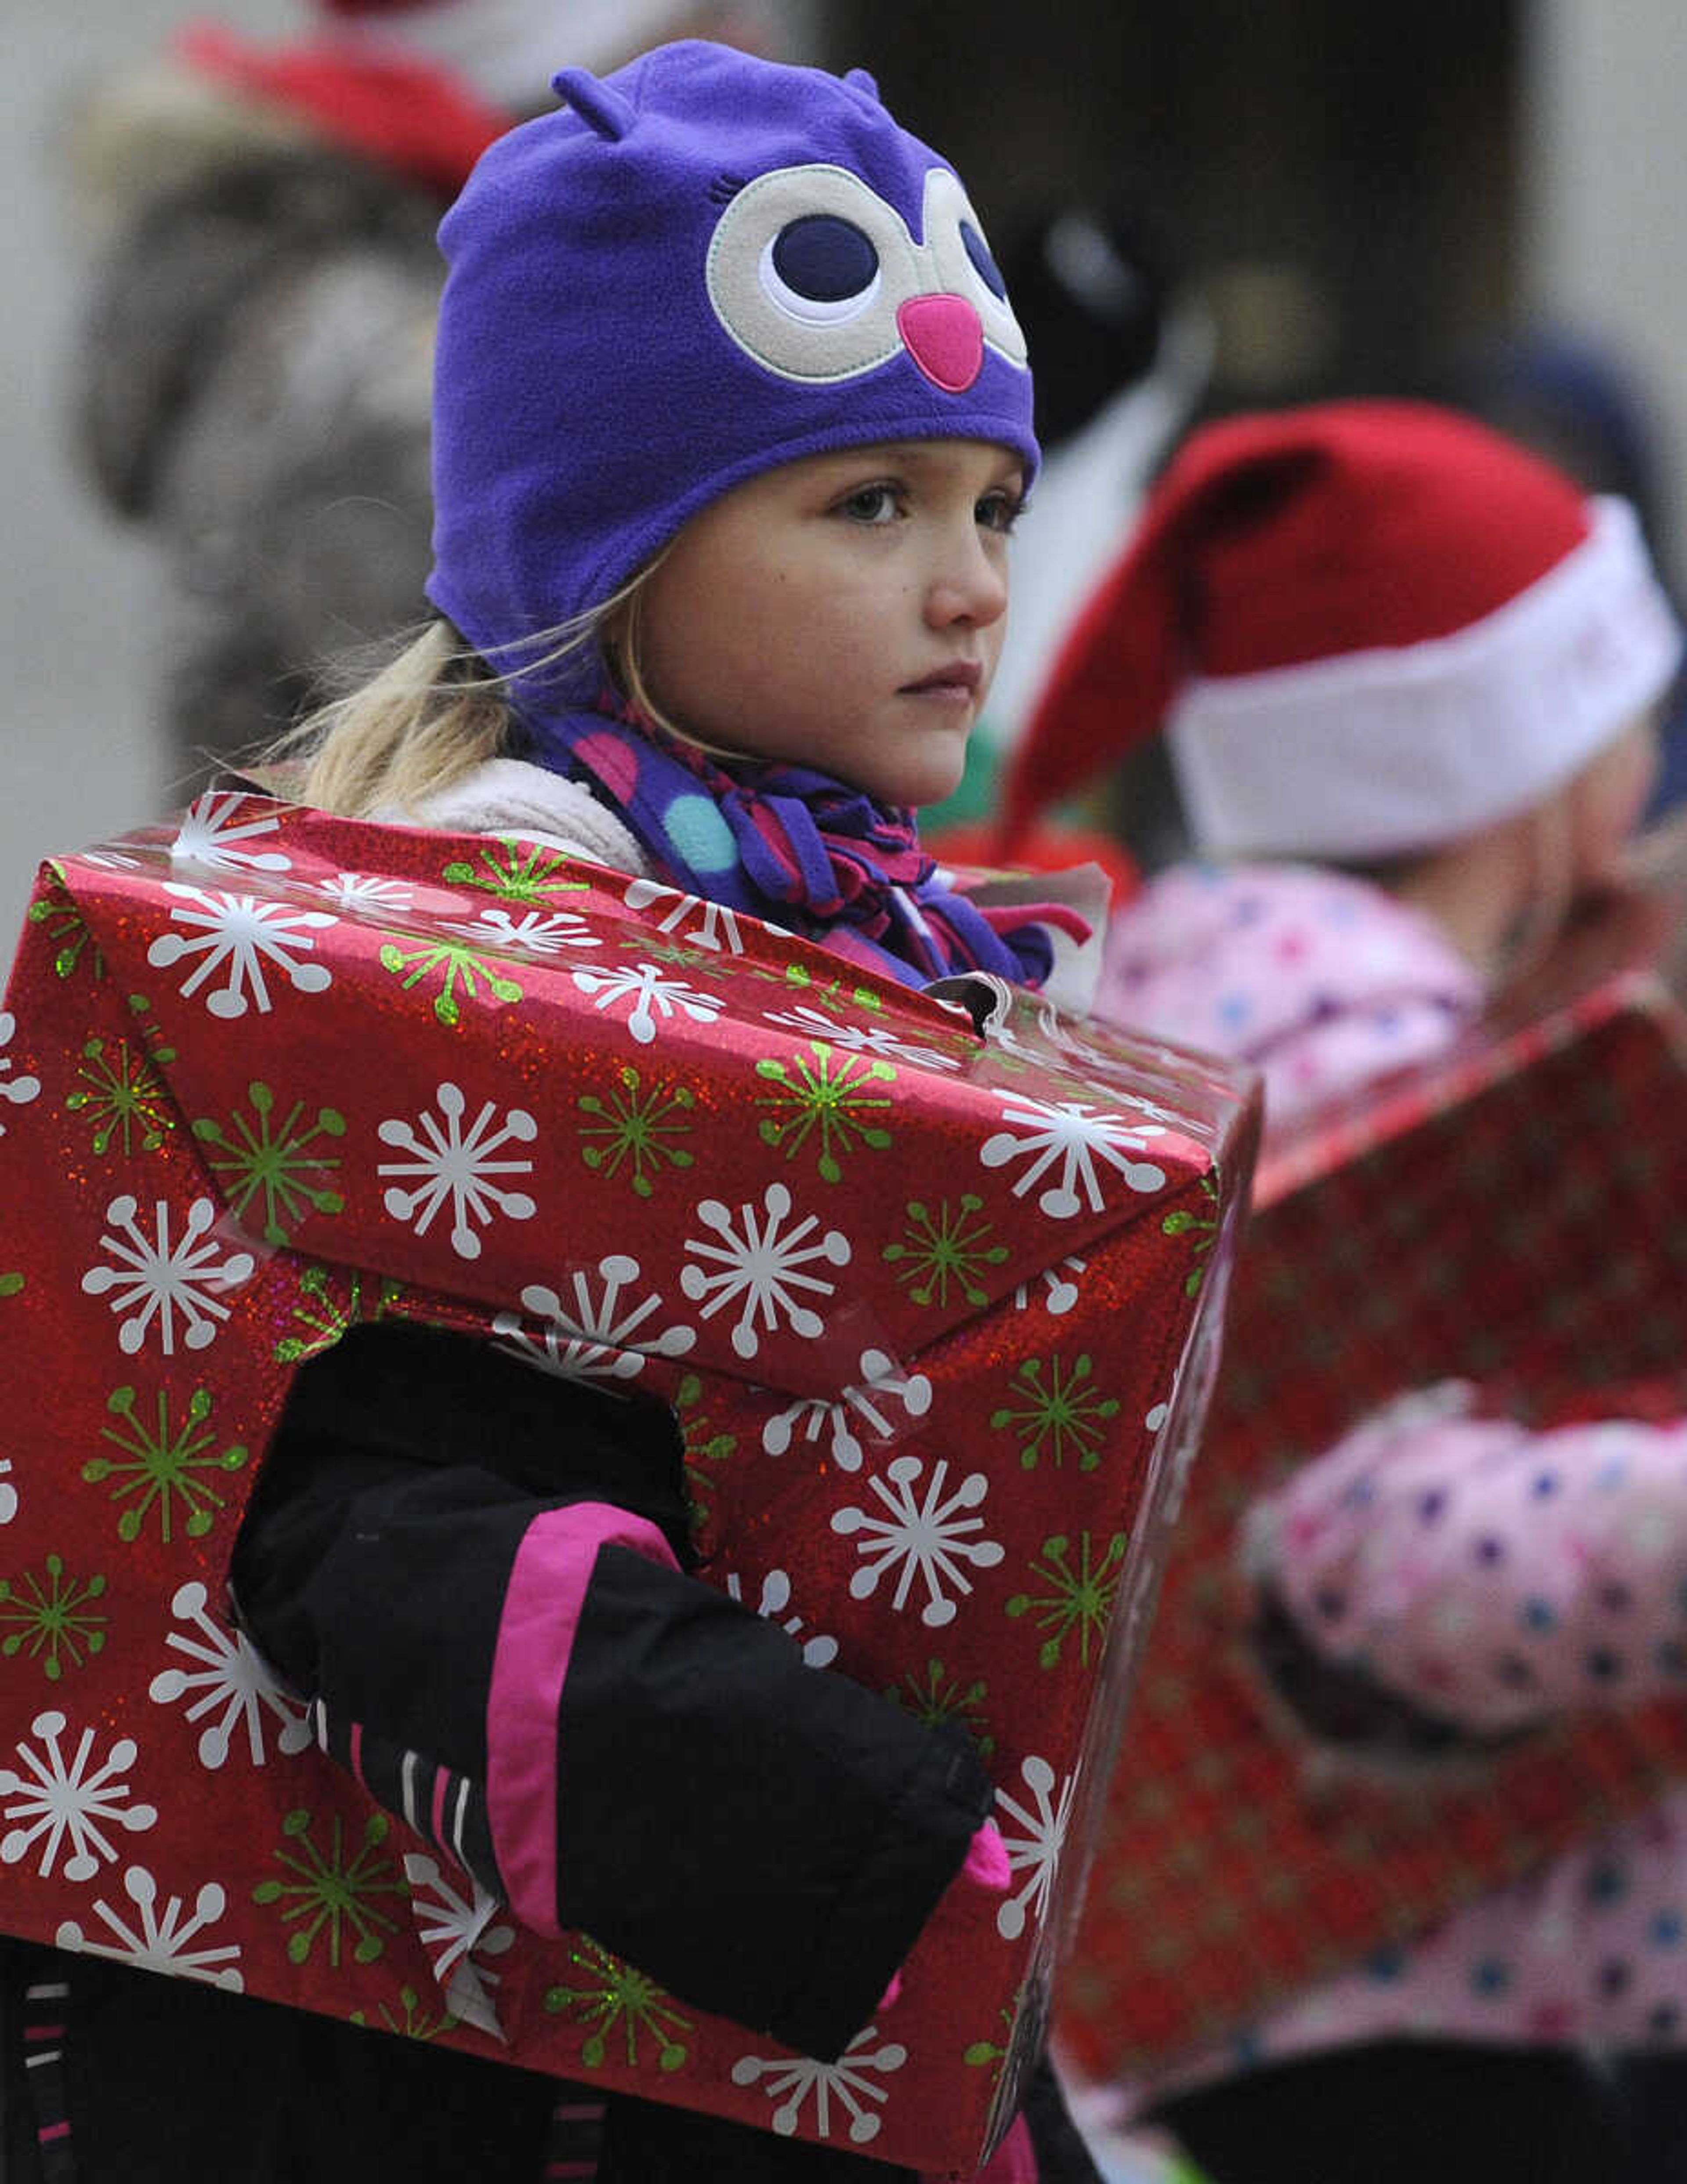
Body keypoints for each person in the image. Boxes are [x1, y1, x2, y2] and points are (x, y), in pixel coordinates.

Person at [2, 40, 1112, 2184]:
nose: (972, 584)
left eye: (992, 505)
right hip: (490, 2051)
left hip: (755, 2012)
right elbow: (370, 1516)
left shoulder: (855, 928)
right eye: (868, 504)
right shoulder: (492, 957)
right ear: (619, 548)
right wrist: (861, 1841)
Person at [997, 399, 1687, 2184]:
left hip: (1257, 1999)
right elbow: (1357, 1526)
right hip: (1421, 1999)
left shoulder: (1208, 1005)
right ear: (1542, 771)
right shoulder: (1365, 1058)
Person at [63, 0, 793, 788]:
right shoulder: (374, 349)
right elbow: (518, 720)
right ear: (559, 62)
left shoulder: (466, 283)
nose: (755, 43)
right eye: (701, 21)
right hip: (425, 898)